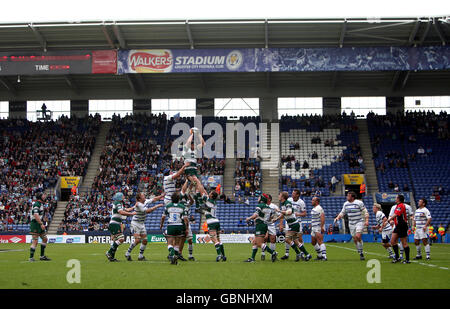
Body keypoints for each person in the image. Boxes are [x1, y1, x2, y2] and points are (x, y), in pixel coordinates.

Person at [125, 192, 165, 261]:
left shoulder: (145, 201)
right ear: (139, 199)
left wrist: (161, 196)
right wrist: (157, 206)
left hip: (141, 223)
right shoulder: (139, 205)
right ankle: (127, 253)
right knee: (137, 240)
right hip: (135, 223)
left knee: (145, 240)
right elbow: (148, 211)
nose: (144, 196)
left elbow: (154, 199)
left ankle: (140, 256)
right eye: (143, 196)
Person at [334, 191, 369, 260]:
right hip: (351, 223)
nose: (347, 197)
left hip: (359, 221)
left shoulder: (359, 203)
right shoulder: (346, 204)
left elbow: (365, 211)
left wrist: (367, 220)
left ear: (352, 197)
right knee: (355, 239)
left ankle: (361, 252)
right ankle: (360, 252)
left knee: (358, 236)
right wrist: (337, 217)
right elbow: (342, 212)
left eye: (348, 196)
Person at [244, 193, 278, 263]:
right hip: (264, 225)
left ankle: (273, 253)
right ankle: (252, 258)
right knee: (254, 242)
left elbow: (255, 215)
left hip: (260, 225)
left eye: (259, 197)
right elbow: (271, 217)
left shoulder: (260, 206)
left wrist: (249, 218)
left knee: (259, 243)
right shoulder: (268, 207)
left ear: (262, 198)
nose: (258, 198)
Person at [278, 191, 311, 261]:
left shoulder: (292, 203)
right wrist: (276, 219)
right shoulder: (286, 202)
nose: (292, 194)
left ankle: (299, 253)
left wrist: (279, 211)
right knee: (295, 241)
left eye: (280, 195)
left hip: (294, 223)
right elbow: (284, 213)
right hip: (291, 223)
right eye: (292, 193)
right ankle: (307, 254)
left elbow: (289, 212)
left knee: (288, 239)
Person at [105, 192, 136, 262]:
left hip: (115, 224)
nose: (124, 197)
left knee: (117, 240)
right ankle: (109, 252)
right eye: (122, 196)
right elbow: (121, 212)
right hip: (115, 224)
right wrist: (131, 214)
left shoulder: (119, 204)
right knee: (121, 239)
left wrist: (134, 207)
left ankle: (111, 257)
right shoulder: (118, 203)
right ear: (119, 197)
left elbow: (126, 210)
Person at [160, 192, 189, 265]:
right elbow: (186, 219)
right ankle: (175, 256)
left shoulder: (168, 206)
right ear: (178, 199)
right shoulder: (182, 207)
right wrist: (187, 228)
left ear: (171, 199)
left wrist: (161, 225)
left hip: (171, 225)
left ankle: (172, 255)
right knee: (176, 244)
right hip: (179, 226)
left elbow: (163, 217)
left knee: (169, 243)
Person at [182, 129, 208, 195]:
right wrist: (192, 134)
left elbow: (203, 143)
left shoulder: (195, 149)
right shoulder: (186, 148)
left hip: (194, 167)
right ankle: (203, 194)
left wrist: (199, 134)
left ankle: (189, 192)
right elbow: (188, 141)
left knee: (195, 182)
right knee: (195, 182)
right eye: (192, 144)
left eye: (194, 144)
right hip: (188, 166)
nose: (193, 145)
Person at [387, 195, 411, 264]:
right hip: (398, 226)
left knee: (404, 243)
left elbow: (396, 214)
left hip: (402, 225)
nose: (395, 199)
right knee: (392, 241)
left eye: (396, 198)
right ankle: (397, 257)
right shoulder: (398, 206)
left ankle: (407, 259)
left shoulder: (401, 205)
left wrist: (389, 219)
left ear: (399, 199)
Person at [203, 191, 226, 262]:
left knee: (214, 239)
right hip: (216, 221)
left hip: (211, 222)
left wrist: (197, 182)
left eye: (210, 193)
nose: (208, 193)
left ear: (212, 195)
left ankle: (219, 255)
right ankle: (223, 256)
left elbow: (202, 193)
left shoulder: (209, 201)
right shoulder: (214, 202)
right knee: (219, 239)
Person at [29, 192, 51, 262]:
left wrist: (43, 220)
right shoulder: (36, 204)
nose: (45, 196)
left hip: (38, 223)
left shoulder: (41, 204)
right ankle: (31, 258)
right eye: (43, 195)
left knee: (45, 239)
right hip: (35, 224)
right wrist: (41, 223)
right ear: (40, 197)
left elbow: (39, 214)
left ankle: (42, 256)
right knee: (35, 241)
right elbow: (35, 215)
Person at [261, 194, 279, 261]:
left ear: (269, 199)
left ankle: (272, 255)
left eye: (267, 198)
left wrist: (276, 218)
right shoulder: (263, 205)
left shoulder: (274, 206)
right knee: (264, 238)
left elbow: (279, 214)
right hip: (264, 224)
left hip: (271, 224)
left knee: (273, 238)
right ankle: (263, 253)